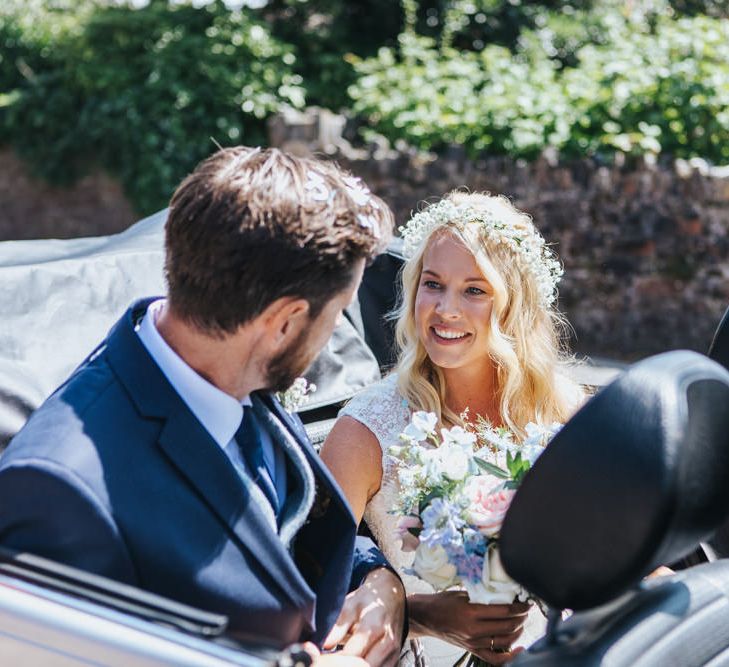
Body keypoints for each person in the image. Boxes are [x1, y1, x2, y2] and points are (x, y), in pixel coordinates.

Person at [0, 147, 406, 666]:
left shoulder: (234, 373)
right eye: (334, 316)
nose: (333, 337)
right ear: (283, 322)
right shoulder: (58, 492)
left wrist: (381, 586)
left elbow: (289, 527)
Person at [321, 191, 585, 666]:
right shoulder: (366, 430)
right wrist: (418, 614)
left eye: (474, 290)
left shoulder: (566, 413)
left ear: (514, 305)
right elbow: (306, 586)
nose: (445, 309)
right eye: (433, 284)